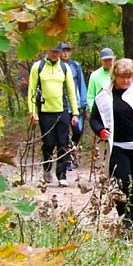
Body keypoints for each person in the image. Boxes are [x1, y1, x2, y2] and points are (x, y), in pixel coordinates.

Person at [89, 59, 133, 233]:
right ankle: (124, 217)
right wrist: (100, 131)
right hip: (117, 147)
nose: (126, 81)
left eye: (129, 77)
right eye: (123, 77)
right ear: (115, 76)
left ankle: (130, 220)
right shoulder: (104, 95)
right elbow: (94, 119)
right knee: (123, 183)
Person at [27, 44, 79, 187]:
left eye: (58, 51)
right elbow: (31, 90)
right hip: (45, 112)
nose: (55, 54)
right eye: (53, 51)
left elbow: (71, 91)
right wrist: (33, 112)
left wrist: (75, 112)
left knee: (63, 143)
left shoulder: (64, 68)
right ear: (47, 50)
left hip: (62, 110)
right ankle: (47, 168)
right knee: (49, 143)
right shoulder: (38, 67)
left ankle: (62, 175)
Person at [58, 42, 87, 167]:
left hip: (75, 105)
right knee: (63, 133)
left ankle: (72, 150)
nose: (65, 53)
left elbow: (81, 84)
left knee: (78, 131)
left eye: (67, 50)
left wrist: (83, 103)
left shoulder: (75, 66)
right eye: (63, 50)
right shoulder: (55, 66)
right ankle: (67, 160)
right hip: (61, 106)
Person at [86, 48, 115, 114]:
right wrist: (93, 111)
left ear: (114, 59)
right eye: (105, 60)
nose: (108, 62)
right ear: (101, 60)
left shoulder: (118, 73)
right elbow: (90, 96)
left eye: (110, 60)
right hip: (101, 111)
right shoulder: (95, 75)